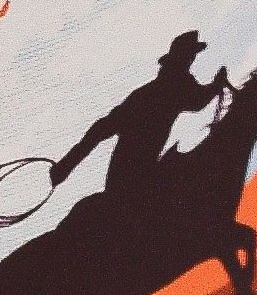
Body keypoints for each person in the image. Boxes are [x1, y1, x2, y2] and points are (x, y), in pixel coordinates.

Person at [50, 32, 216, 201]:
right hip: (132, 177)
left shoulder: (150, 92)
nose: (191, 60)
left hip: (133, 172)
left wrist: (66, 165)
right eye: (189, 55)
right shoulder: (170, 88)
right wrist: (216, 86)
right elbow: (197, 100)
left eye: (192, 56)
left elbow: (101, 128)